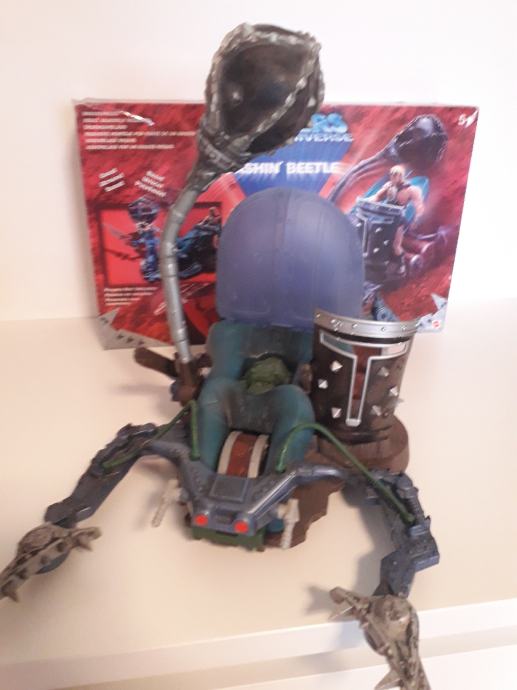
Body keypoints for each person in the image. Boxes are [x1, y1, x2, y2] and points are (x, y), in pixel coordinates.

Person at [370, 165, 425, 256]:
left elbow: (419, 206)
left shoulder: (411, 190)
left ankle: (401, 260)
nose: (393, 177)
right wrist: (364, 201)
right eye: (392, 174)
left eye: (396, 175)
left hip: (397, 219)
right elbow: (377, 197)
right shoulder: (388, 186)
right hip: (383, 216)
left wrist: (417, 219)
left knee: (396, 246)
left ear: (401, 176)